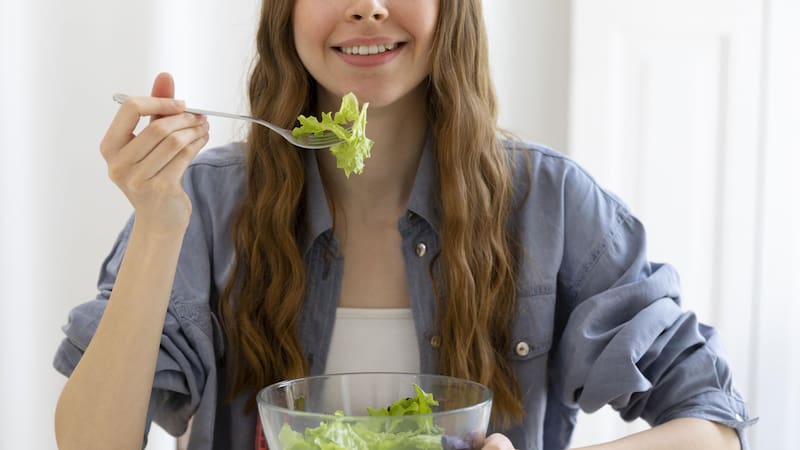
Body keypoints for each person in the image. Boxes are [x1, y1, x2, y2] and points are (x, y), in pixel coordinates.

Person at [53, 1, 755, 449]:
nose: (368, 7)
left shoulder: (551, 203)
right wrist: (157, 224)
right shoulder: (205, 202)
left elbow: (712, 419)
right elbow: (88, 441)